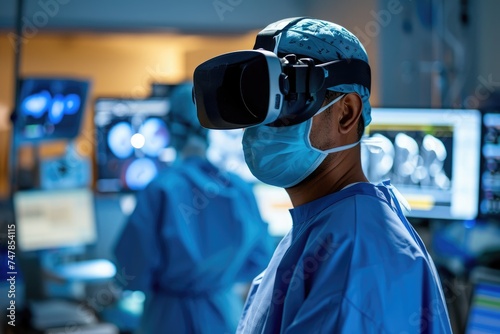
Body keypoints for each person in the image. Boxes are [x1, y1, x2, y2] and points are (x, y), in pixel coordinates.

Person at [231, 18, 454, 333]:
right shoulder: (323, 226)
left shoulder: (353, 252)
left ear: (346, 113)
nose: (263, 123)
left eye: (288, 98)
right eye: (261, 101)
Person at [113, 82, 274, 334]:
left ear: (171, 127)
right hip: (224, 314)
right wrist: (218, 278)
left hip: (168, 319)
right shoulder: (239, 188)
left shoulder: (161, 190)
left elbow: (131, 272)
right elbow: (260, 260)